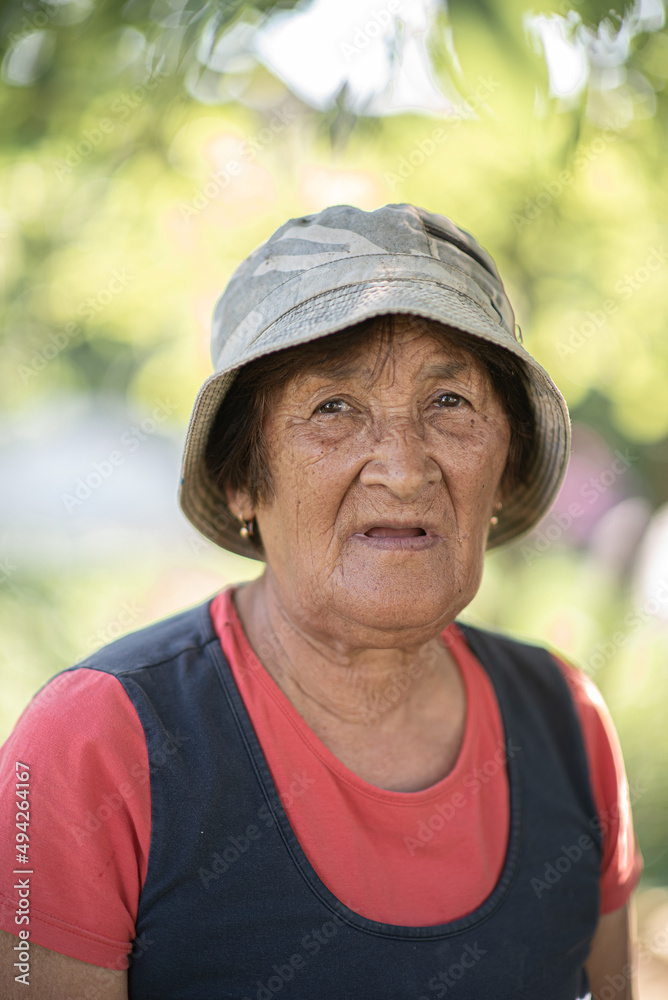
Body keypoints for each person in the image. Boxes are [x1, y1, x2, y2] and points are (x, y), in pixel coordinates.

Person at [0, 204, 642, 999]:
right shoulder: (94, 744)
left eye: (450, 403)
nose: (405, 470)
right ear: (242, 477)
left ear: (505, 465)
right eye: (333, 408)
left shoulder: (566, 723)